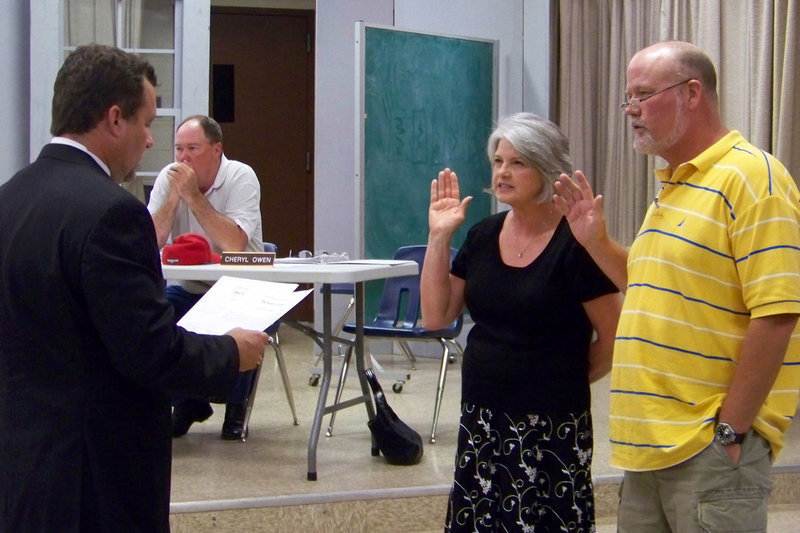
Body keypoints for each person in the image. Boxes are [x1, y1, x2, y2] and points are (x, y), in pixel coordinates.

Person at [0, 44, 269, 532]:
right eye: (147, 123)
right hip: (93, 476)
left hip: (22, 463)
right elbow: (149, 350)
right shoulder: (111, 212)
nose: (151, 142)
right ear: (115, 119)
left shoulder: (10, 196)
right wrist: (230, 353)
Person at [553, 41, 800, 532]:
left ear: (692, 93)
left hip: (708, 445)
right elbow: (648, 286)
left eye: (643, 95)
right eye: (628, 99)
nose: (632, 111)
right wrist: (597, 242)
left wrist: (731, 429)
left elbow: (778, 313)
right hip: (649, 445)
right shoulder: (674, 184)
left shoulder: (753, 178)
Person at [421, 112, 622, 532]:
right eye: (498, 161)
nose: (502, 172)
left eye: (518, 162)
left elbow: (615, 337)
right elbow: (437, 316)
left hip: (552, 425)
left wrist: (563, 377)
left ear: (547, 169)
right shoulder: (482, 234)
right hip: (483, 417)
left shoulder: (576, 243)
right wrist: (439, 237)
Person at [147, 115, 264, 440]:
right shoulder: (168, 179)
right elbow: (148, 242)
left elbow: (234, 243)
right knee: (159, 316)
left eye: (193, 149)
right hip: (192, 287)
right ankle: (188, 401)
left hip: (243, 289)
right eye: (179, 149)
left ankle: (237, 407)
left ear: (216, 150)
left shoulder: (240, 176)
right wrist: (173, 198)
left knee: (243, 320)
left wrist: (195, 198)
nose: (183, 158)